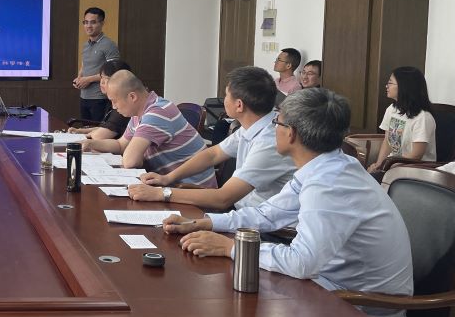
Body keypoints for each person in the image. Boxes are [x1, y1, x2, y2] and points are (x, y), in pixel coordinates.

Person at [165, 88, 413, 317]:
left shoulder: (330, 184)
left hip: (363, 312)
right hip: (327, 287)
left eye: (277, 122)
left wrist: (230, 248)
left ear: (291, 133)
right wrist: (206, 222)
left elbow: (302, 263)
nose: (273, 128)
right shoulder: (325, 166)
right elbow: (266, 213)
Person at [128, 66, 294, 210]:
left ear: (239, 105)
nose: (224, 100)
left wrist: (161, 193)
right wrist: (167, 178)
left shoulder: (270, 141)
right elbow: (213, 154)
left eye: (226, 95)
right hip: (244, 211)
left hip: (264, 225)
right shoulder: (254, 125)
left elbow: (223, 199)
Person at [88, 71, 216, 186]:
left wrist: (137, 156)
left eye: (115, 101)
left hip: (191, 189)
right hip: (170, 183)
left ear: (132, 97)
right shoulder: (140, 113)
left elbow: (130, 162)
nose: (114, 107)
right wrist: (90, 144)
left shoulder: (157, 113)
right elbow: (121, 145)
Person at [368, 66, 437, 172]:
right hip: (393, 165)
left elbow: (416, 155)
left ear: (404, 87)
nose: (386, 86)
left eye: (390, 83)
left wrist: (388, 167)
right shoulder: (392, 109)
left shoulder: (423, 117)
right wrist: (379, 165)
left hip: (417, 169)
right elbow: (388, 142)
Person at [73, 7, 120, 122]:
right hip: (84, 96)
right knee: (86, 128)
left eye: (93, 22)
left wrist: (88, 79)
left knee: (98, 129)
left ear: (102, 23)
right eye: (86, 22)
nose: (88, 26)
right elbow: (84, 64)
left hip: (100, 98)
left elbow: (113, 72)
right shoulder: (86, 45)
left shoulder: (109, 45)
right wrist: (79, 78)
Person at [68, 58, 132, 139]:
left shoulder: (124, 103)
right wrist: (80, 131)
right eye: (101, 77)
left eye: (106, 79)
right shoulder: (114, 99)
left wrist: (82, 136)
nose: (101, 82)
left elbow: (102, 135)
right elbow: (106, 126)